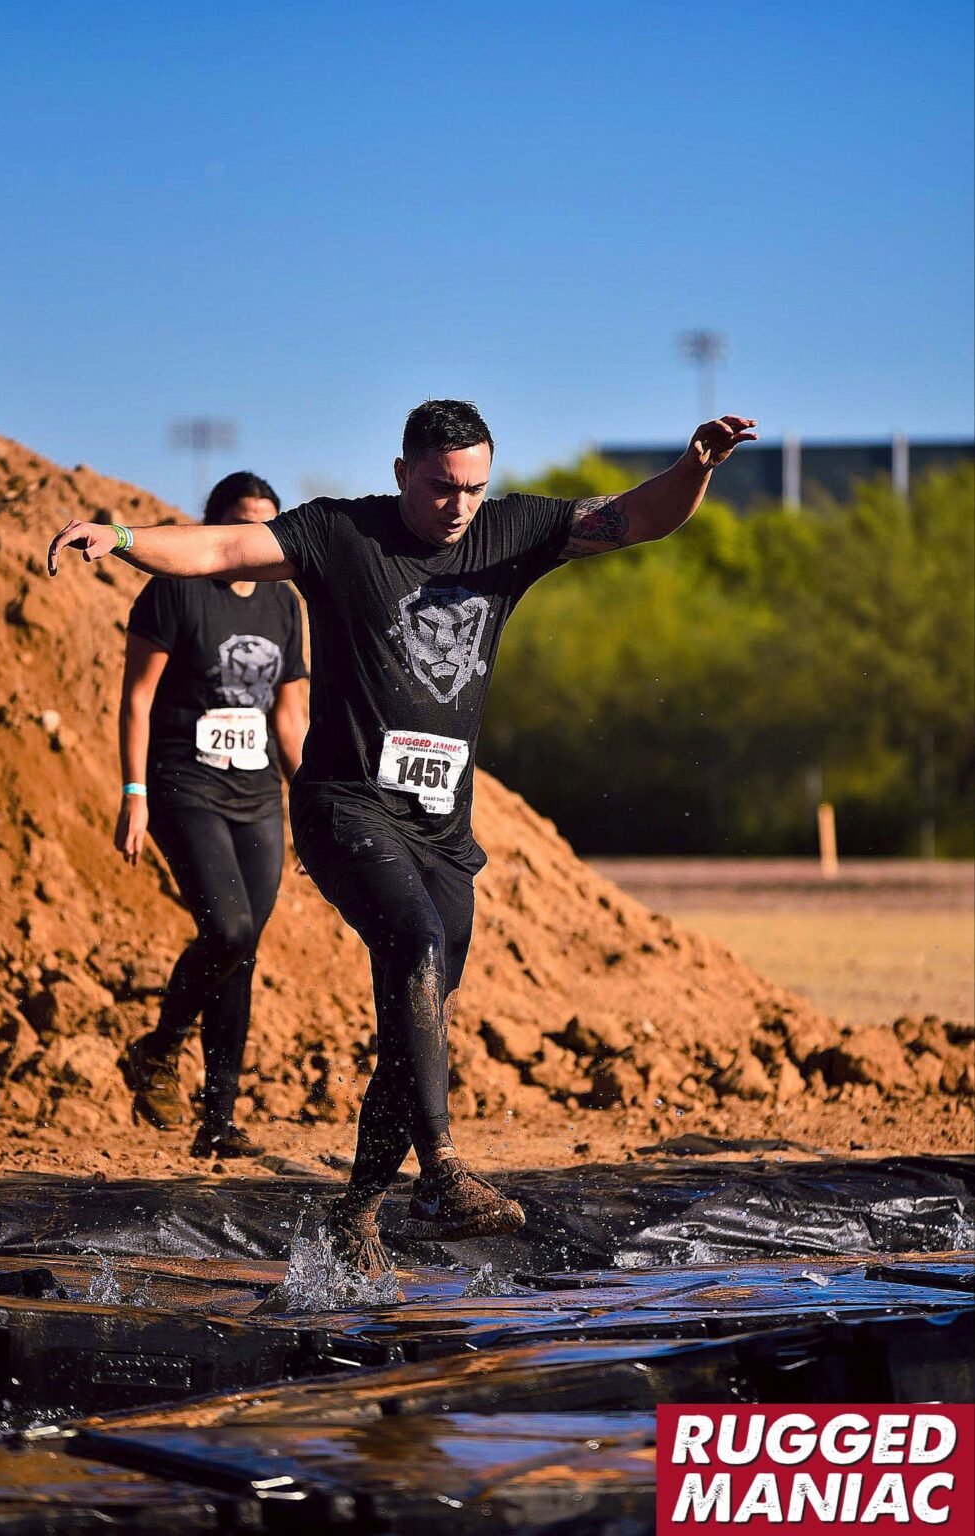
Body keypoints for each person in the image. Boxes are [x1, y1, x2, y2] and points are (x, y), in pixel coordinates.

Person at [48, 400, 756, 1264]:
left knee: (418, 1011)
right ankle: (443, 1172)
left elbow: (637, 517)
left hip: (444, 830)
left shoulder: (510, 532)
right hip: (345, 805)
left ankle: (357, 1212)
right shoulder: (342, 534)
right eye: (441, 487)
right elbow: (224, 550)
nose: (459, 505)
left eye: (474, 487)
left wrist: (695, 467)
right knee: (414, 941)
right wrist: (122, 538)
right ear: (402, 474)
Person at [115, 472, 309, 1158]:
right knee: (227, 930)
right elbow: (137, 699)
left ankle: (218, 1122)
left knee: (242, 951)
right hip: (183, 784)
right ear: (214, 525)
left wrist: (313, 803)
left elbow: (290, 718)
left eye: (267, 525)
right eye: (242, 522)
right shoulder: (175, 590)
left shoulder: (284, 602)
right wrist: (133, 793)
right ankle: (158, 1050)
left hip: (258, 795)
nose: (256, 536)